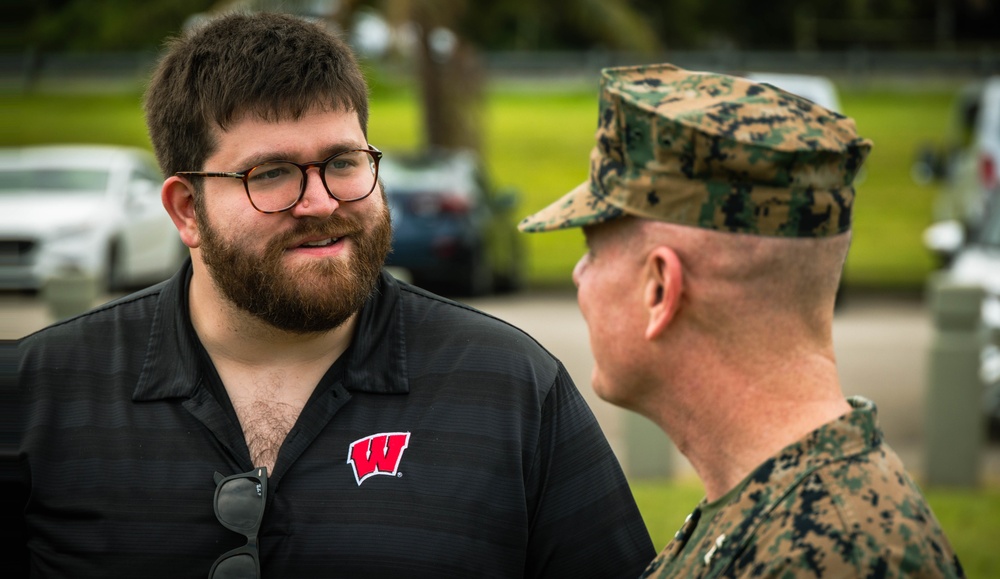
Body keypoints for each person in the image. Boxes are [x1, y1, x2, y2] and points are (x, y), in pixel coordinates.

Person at [13, 12, 655, 578]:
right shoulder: (37, 393)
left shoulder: (510, 387)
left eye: (344, 163)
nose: (321, 202)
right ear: (186, 210)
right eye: (271, 173)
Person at [519, 63, 965, 578]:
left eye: (591, 250)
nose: (579, 276)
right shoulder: (775, 509)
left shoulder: (833, 553)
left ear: (661, 287)